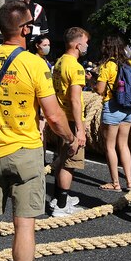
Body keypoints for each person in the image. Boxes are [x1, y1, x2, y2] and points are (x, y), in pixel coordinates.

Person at [0, 1, 76, 261]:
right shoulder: (34, 63)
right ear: (25, 29)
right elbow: (54, 116)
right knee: (24, 225)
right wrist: (70, 138)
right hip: (26, 150)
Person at [50, 27, 89, 217]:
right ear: (77, 44)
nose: (87, 46)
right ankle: (62, 205)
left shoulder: (59, 62)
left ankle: (58, 197)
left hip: (60, 117)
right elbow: (75, 100)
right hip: (71, 119)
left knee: (61, 158)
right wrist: (80, 130)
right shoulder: (75, 67)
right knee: (70, 162)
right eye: (85, 42)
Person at [95, 35, 131, 192]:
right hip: (128, 107)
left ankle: (115, 183)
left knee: (110, 147)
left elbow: (100, 89)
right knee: (124, 145)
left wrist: (92, 82)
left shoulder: (107, 66)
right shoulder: (128, 65)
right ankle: (130, 182)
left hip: (113, 107)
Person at [33, 35, 53, 139]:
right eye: (44, 45)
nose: (47, 47)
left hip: (47, 93)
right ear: (37, 46)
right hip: (40, 99)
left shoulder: (45, 60)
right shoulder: (35, 60)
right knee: (41, 131)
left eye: (49, 45)